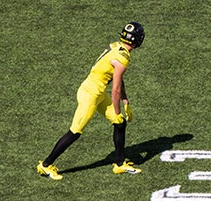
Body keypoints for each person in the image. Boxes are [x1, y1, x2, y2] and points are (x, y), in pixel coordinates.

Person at [36, 22, 146, 180]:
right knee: (75, 132)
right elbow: (115, 89)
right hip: (90, 94)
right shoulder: (123, 58)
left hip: (97, 91)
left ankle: (120, 164)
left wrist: (125, 100)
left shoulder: (116, 46)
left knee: (120, 122)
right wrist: (117, 109)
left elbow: (118, 79)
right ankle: (45, 165)